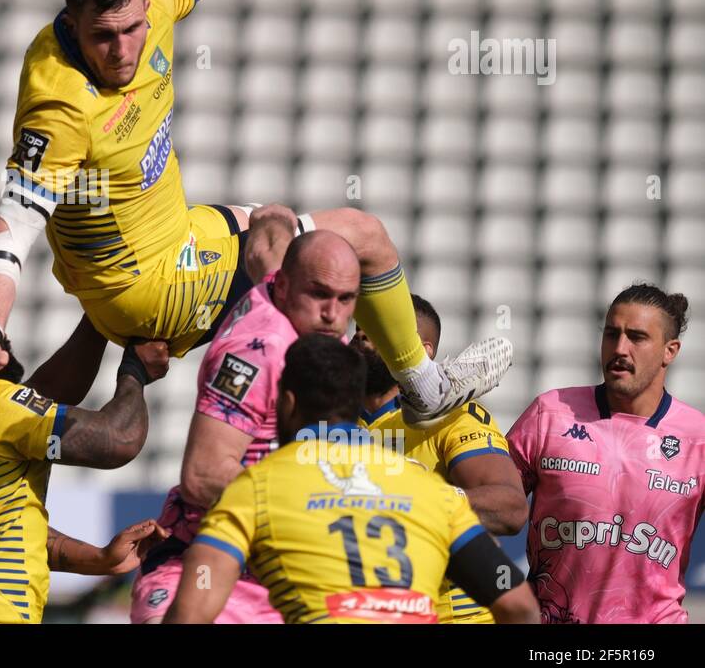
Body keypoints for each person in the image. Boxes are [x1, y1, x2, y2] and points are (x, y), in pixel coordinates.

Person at [0, 0, 511, 428]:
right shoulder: (60, 107)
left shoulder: (152, 4)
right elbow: (12, 226)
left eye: (133, 29)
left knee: (261, 217)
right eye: (103, 37)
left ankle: (3, 431)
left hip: (169, 238)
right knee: (360, 236)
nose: (123, 49)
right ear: (72, 22)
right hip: (150, 288)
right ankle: (419, 390)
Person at [163, 334, 540, 624]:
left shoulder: (254, 487)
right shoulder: (430, 493)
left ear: (288, 403)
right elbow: (518, 604)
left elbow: (194, 606)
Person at [130, 230, 358, 623]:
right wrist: (315, 505)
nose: (332, 314)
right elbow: (202, 477)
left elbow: (270, 231)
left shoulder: (294, 310)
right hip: (203, 570)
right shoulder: (259, 352)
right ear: (284, 287)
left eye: (346, 299)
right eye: (320, 294)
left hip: (279, 573)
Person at [0, 295, 169, 623]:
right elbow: (118, 440)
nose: (0, 340)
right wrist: (135, 372)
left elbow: (45, 392)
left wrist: (100, 315)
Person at [508, 284, 705, 623]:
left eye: (637, 337)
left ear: (669, 351)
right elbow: (487, 506)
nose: (619, 348)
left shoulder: (698, 438)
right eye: (612, 334)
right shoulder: (550, 414)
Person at [352, 294, 526, 623]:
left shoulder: (458, 417)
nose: (361, 334)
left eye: (378, 329)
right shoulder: (329, 419)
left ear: (422, 351)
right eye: (359, 328)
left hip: (449, 614)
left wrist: (415, 497)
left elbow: (510, 508)